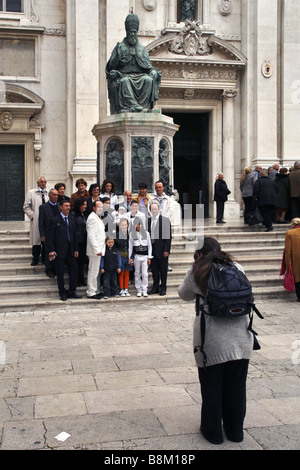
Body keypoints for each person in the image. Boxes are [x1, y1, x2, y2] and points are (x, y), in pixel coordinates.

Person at [178, 237, 254, 444]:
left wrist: (194, 266)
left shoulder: (198, 271)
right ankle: (235, 432)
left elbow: (182, 294)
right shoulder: (236, 266)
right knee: (236, 387)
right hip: (241, 339)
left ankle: (213, 433)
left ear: (200, 254)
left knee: (212, 387)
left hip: (212, 342)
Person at [105, 12, 161, 114]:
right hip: (124, 76)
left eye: (134, 32)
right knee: (125, 81)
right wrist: (117, 57)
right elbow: (110, 67)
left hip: (140, 76)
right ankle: (136, 107)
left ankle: (143, 107)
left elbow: (148, 67)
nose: (132, 34)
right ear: (127, 32)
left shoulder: (142, 49)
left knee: (148, 80)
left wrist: (152, 71)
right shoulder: (120, 47)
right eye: (130, 32)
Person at [47, 199, 82, 301]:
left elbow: (75, 235)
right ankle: (62, 292)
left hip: (71, 250)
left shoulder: (72, 219)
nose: (68, 208)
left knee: (74, 271)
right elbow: (50, 237)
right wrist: (51, 250)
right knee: (60, 273)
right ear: (61, 207)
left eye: (69, 206)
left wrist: (76, 249)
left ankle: (72, 291)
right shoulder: (55, 220)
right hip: (59, 251)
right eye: (66, 206)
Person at [23, 176, 49, 266]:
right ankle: (35, 258)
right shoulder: (31, 193)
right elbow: (26, 206)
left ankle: (45, 259)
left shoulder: (48, 193)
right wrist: (32, 216)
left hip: (46, 221)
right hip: (37, 220)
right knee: (36, 241)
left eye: (45, 182)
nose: (43, 183)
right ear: (38, 183)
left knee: (45, 240)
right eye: (41, 182)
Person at [148, 201, 172, 296]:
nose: (154, 211)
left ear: (158, 210)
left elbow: (168, 237)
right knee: (154, 270)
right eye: (152, 209)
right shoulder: (148, 221)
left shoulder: (165, 220)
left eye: (155, 209)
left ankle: (163, 288)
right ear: (150, 210)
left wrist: (167, 250)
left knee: (163, 270)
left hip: (162, 250)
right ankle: (155, 287)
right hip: (152, 250)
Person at [149, 180, 174, 271]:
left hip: (165, 222)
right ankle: (153, 264)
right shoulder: (152, 199)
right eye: (157, 187)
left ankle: (166, 263)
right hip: (154, 222)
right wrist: (156, 218)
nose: (158, 189)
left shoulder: (168, 199)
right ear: (155, 188)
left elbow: (170, 210)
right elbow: (149, 210)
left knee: (165, 243)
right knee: (155, 243)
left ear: (163, 188)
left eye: (160, 187)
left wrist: (162, 219)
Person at [86, 200, 106, 299]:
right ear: (94, 207)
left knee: (97, 272)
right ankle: (91, 291)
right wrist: (96, 249)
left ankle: (96, 289)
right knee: (93, 272)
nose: (101, 209)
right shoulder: (92, 218)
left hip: (100, 249)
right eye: (99, 207)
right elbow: (91, 236)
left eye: (102, 207)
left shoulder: (98, 217)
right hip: (95, 251)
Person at [38, 188, 60, 277]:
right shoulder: (43, 207)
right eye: (54, 195)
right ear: (49, 195)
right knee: (49, 251)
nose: (56, 197)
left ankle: (56, 269)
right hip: (49, 233)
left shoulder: (59, 206)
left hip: (59, 233)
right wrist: (42, 234)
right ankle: (49, 269)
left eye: (57, 195)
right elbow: (41, 222)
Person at [129, 220, 152, 297]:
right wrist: (130, 258)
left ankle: (144, 290)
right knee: (137, 273)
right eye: (136, 225)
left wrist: (149, 257)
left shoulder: (147, 233)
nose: (138, 226)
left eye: (139, 224)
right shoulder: (132, 234)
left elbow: (149, 246)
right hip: (136, 256)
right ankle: (138, 290)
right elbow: (130, 247)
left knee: (145, 274)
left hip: (145, 256)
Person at [72, 198, 88, 286]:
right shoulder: (74, 215)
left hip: (83, 242)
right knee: (76, 263)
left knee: (81, 262)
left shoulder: (84, 215)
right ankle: (77, 280)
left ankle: (81, 279)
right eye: (83, 204)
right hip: (77, 242)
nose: (85, 206)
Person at [283, 218, 300, 301]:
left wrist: (287, 263)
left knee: (297, 279)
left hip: (296, 260)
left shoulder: (290, 233)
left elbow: (288, 250)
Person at [115, 217, 132, 296]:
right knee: (121, 273)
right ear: (119, 226)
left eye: (125, 224)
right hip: (120, 256)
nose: (124, 226)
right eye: (122, 225)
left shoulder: (130, 235)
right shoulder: (117, 235)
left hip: (128, 256)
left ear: (128, 225)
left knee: (127, 273)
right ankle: (121, 289)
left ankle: (126, 288)